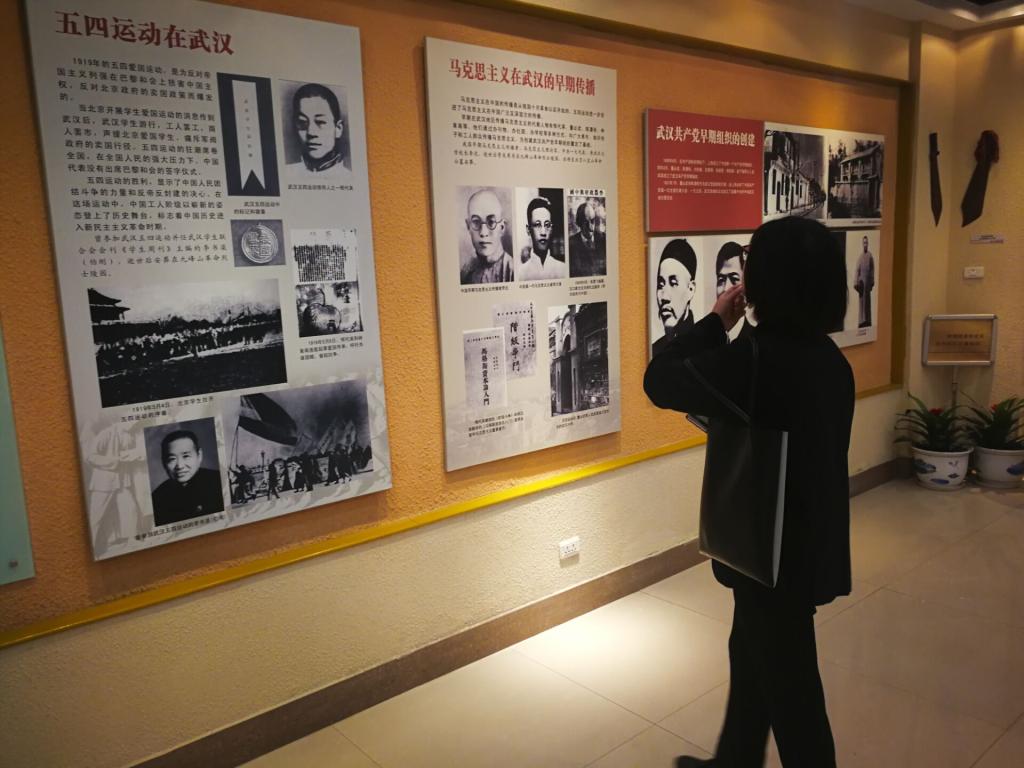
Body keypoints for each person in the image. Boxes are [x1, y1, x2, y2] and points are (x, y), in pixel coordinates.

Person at [644, 217, 853, 768]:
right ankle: (734, 760)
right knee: (752, 653)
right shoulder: (828, 359)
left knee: (794, 696)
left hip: (770, 554)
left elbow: (659, 379)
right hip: (802, 546)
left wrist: (716, 322)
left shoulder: (759, 361)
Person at [151, 430, 225, 526]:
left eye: (186, 456)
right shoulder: (157, 498)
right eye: (172, 459)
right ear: (163, 462)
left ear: (199, 455)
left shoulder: (220, 481)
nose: (180, 466)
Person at [287, 83, 351, 177]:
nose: (311, 132)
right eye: (302, 122)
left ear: (338, 129)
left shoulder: (347, 177)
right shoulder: (287, 173)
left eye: (320, 122)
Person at [652, 238, 697, 356]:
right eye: (660, 285)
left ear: (691, 289)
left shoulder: (704, 348)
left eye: (673, 283)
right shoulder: (654, 351)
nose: (664, 297)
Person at [461, 188, 514, 284]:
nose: (483, 232)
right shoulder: (465, 273)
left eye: (491, 222)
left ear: (502, 227)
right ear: (468, 226)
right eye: (476, 222)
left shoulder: (512, 271)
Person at [517, 196, 567, 281]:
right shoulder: (520, 274)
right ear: (528, 230)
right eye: (537, 225)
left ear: (552, 229)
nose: (543, 232)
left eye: (547, 225)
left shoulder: (563, 270)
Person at [715, 241, 756, 342]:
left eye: (734, 279)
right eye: (721, 280)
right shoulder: (707, 340)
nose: (726, 288)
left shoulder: (755, 340)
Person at [568, 199, 606, 277]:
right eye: (586, 222)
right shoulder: (570, 244)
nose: (590, 227)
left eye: (592, 221)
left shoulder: (604, 239)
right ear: (579, 223)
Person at [854, 235, 875, 328]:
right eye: (864, 243)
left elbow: (872, 269)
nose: (865, 244)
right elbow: (857, 270)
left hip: (867, 284)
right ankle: (861, 321)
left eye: (866, 243)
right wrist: (856, 282)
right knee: (862, 304)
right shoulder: (860, 257)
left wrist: (872, 281)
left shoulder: (870, 256)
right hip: (862, 284)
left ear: (868, 244)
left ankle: (867, 321)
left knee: (867, 304)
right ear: (862, 244)